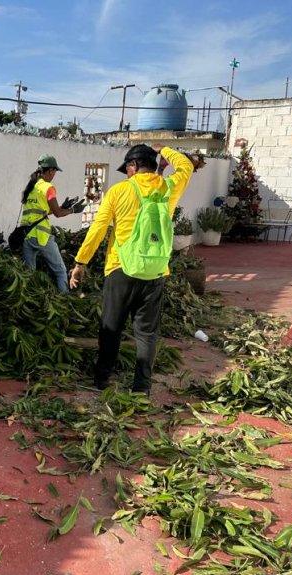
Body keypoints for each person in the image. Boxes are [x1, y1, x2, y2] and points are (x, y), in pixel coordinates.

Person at [69, 144, 193, 394]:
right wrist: (165, 149)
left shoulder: (119, 191)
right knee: (147, 333)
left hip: (120, 269)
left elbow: (98, 229)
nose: (126, 173)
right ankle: (142, 389)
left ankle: (102, 380)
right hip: (155, 272)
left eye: (127, 168)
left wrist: (80, 262)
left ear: (133, 166)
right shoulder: (168, 187)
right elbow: (186, 165)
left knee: (111, 327)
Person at [18, 155, 84, 293]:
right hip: (42, 237)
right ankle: (65, 302)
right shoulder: (48, 188)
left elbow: (41, 213)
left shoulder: (31, 187)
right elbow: (58, 213)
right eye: (54, 172)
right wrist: (72, 210)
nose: (54, 175)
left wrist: (62, 207)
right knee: (60, 271)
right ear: (50, 171)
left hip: (26, 236)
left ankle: (30, 299)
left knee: (29, 273)